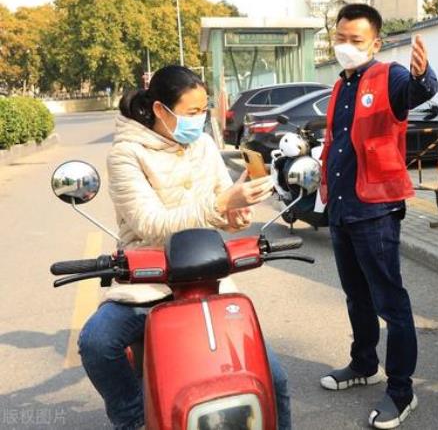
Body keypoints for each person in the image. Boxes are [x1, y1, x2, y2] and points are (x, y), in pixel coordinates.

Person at [77, 66, 291, 430]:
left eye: (203, 110)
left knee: (275, 379)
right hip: (146, 279)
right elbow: (151, 224)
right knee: (97, 343)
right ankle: (133, 419)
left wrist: (234, 216)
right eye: (192, 112)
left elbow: (221, 205)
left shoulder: (204, 145)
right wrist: (221, 205)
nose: (200, 119)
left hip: (204, 276)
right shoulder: (126, 154)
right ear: (161, 110)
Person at [318, 4, 438, 429]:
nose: (346, 46)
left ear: (375, 42)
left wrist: (424, 77)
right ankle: (363, 363)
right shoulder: (340, 85)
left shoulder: (389, 77)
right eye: (341, 38)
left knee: (391, 302)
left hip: (375, 210)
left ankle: (401, 390)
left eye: (355, 40)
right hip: (342, 208)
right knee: (357, 295)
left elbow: (416, 92)